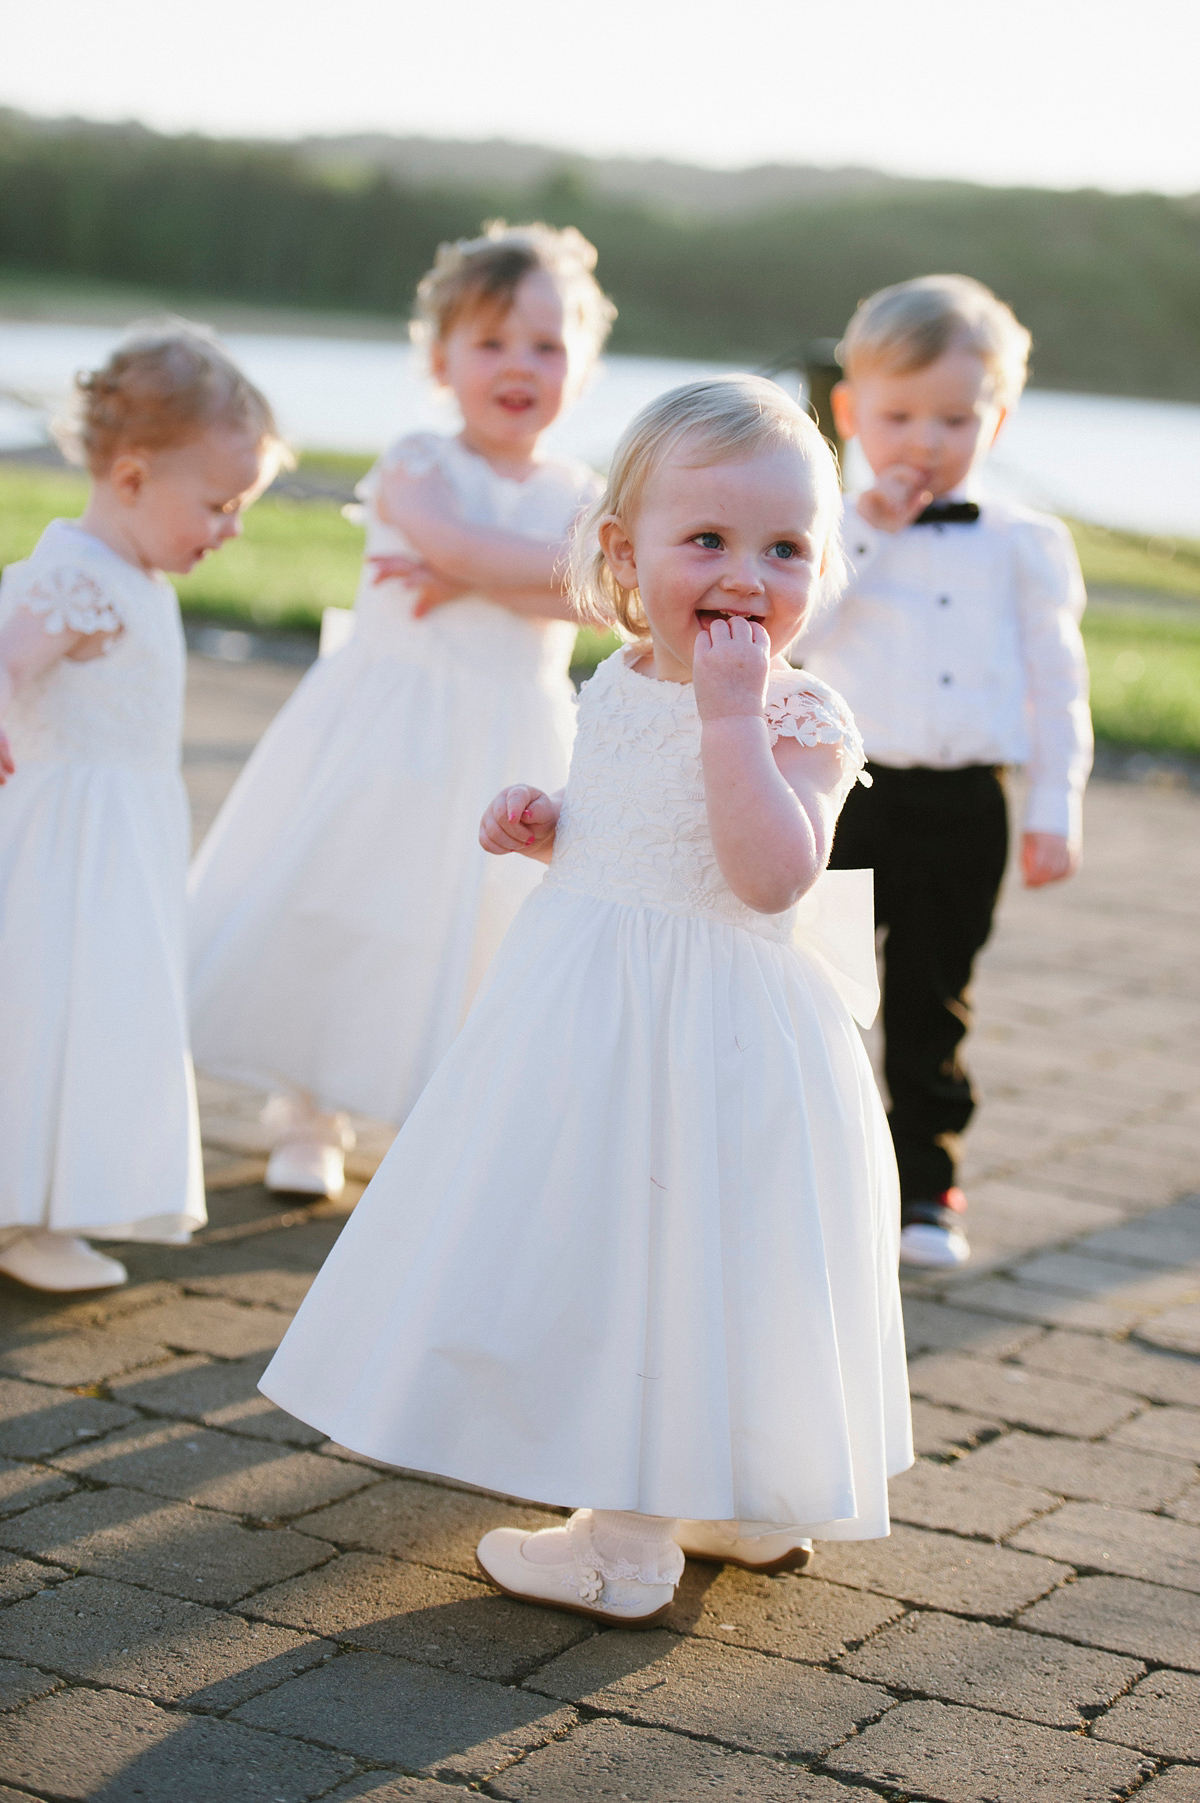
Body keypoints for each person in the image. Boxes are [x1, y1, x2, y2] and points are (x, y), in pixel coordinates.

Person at [260, 376, 911, 1626]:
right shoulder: (617, 678)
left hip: (713, 1045)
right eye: (706, 540)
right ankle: (724, 1492)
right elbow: (644, 837)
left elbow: (772, 878)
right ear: (625, 553)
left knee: (681, 1259)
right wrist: (558, 831)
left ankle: (627, 1542)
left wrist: (733, 720)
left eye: (784, 548)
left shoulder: (796, 713)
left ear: (823, 569)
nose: (744, 575)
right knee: (634, 1251)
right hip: (601, 1018)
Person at [188, 222, 612, 1198]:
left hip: (514, 727)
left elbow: (598, 591)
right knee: (347, 898)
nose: (520, 366)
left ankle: (442, 1107)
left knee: (479, 922)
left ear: (582, 370)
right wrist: (490, 567)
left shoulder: (581, 493)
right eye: (492, 343)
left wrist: (464, 573)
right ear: (441, 359)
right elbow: (458, 540)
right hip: (389, 725)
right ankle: (308, 1110)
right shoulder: (421, 458)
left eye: (547, 347)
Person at [803, 275, 1093, 1271]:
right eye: (899, 416)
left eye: (955, 419)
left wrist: (1056, 803)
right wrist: (868, 531)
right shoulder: (828, 528)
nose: (924, 441)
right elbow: (796, 635)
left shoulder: (1026, 544)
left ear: (998, 419)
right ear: (850, 413)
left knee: (936, 992)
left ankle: (927, 1183)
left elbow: (1057, 684)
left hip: (969, 800)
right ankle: (811, 1167)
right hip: (846, 790)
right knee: (820, 981)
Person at [0, 323, 281, 1292]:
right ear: (130, 479)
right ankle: (22, 1208)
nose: (232, 527)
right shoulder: (81, 578)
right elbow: (6, 656)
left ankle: (44, 1201)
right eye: (218, 504)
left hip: (118, 844)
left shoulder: (135, 576)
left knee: (93, 1017)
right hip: (63, 852)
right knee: (49, 1013)